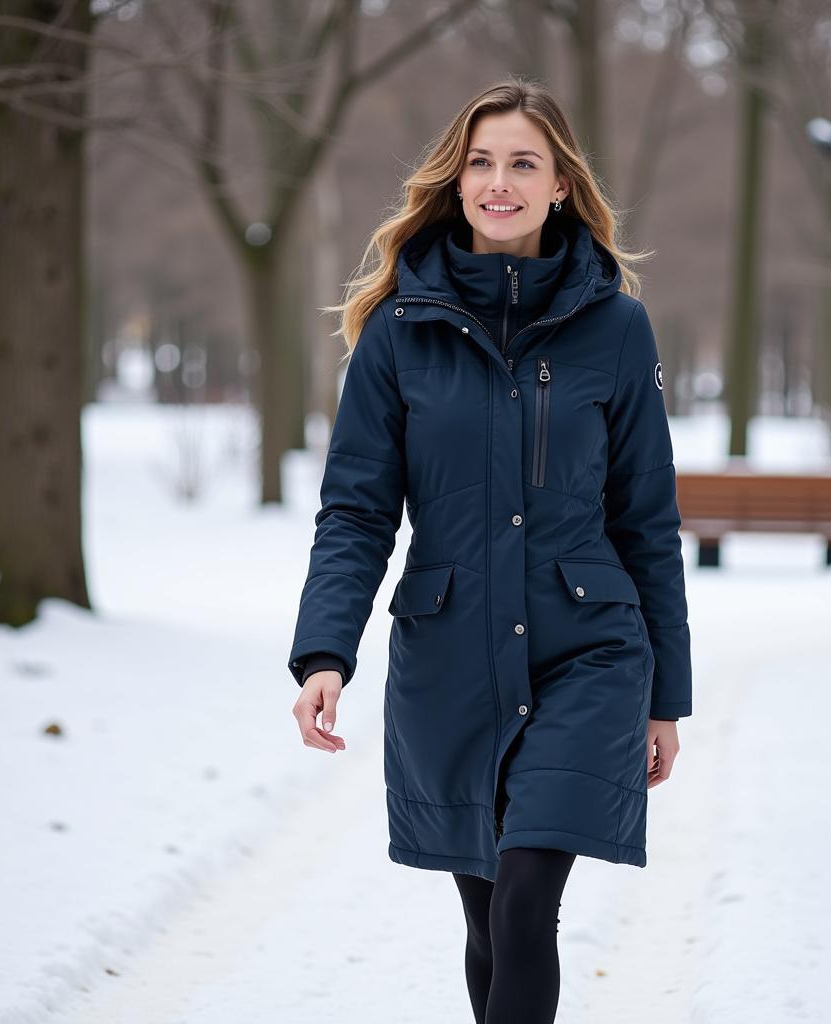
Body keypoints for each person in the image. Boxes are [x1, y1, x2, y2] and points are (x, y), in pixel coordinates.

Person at [288, 76, 692, 1024]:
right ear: (455, 180)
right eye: (480, 162)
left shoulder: (617, 329)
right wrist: (323, 652)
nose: (498, 181)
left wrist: (666, 699)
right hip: (451, 658)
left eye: (523, 163)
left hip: (589, 655)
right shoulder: (396, 334)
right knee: (487, 920)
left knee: (523, 905)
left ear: (561, 186)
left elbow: (647, 520)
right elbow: (354, 511)